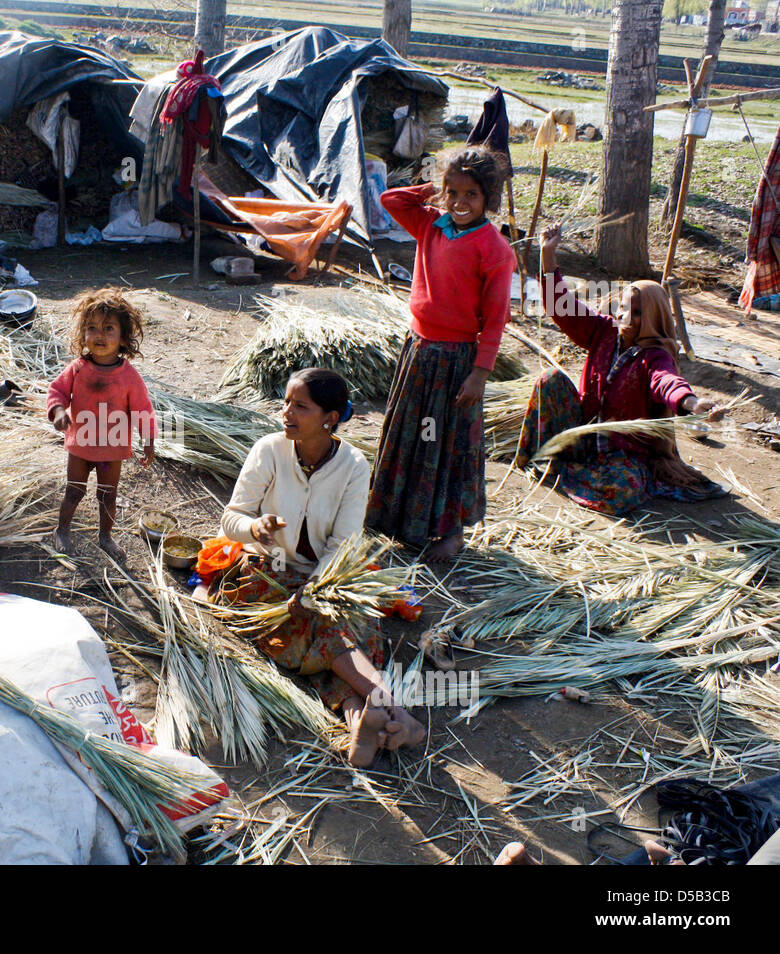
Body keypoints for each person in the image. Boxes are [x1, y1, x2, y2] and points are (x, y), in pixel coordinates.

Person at [219, 368, 426, 767]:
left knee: (327, 626)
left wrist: (314, 590)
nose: (286, 414)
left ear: (330, 418)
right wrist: (253, 527)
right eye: (286, 404)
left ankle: (359, 722)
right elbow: (232, 518)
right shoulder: (269, 449)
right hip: (269, 572)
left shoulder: (352, 466)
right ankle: (395, 715)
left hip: (328, 576)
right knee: (329, 633)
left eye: (301, 406)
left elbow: (343, 544)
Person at [366, 145, 517, 561]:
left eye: (471, 194)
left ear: (489, 196)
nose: (459, 202)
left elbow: (496, 318)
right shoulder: (432, 225)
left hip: (455, 364)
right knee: (411, 435)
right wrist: (439, 184)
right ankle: (396, 519)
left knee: (444, 443)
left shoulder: (494, 250)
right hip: (418, 352)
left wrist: (481, 372)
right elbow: (389, 199)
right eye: (452, 192)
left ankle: (448, 531)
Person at [513, 223, 728, 515]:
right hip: (581, 437)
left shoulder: (654, 356)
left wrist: (692, 403)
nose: (623, 315)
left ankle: (566, 473)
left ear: (653, 316)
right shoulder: (603, 332)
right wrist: (548, 257)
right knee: (549, 379)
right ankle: (540, 458)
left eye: (636, 311)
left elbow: (666, 382)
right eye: (623, 307)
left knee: (625, 488)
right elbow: (563, 308)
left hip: (622, 454)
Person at [47, 288, 157, 561]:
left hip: (111, 449)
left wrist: (148, 440)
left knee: (108, 495)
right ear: (83, 333)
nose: (99, 335)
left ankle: (105, 536)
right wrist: (58, 411)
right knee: (74, 490)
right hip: (81, 445)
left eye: (109, 329)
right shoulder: (77, 368)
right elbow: (56, 391)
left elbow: (143, 408)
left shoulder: (129, 376)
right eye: (92, 328)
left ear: (123, 338)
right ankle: (61, 530)